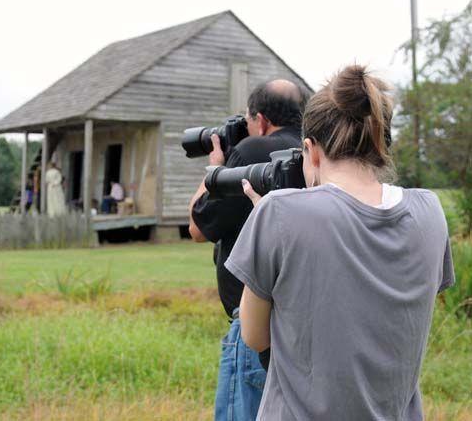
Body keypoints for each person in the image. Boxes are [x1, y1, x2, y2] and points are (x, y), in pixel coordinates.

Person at [227, 65, 455, 420]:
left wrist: (269, 225)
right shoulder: (429, 211)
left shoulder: (278, 213)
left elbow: (255, 336)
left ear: (310, 150)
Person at [188, 79, 308, 421]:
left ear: (262, 120)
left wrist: (216, 167)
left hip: (254, 319)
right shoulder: (318, 153)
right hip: (304, 321)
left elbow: (198, 228)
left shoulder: (254, 151)